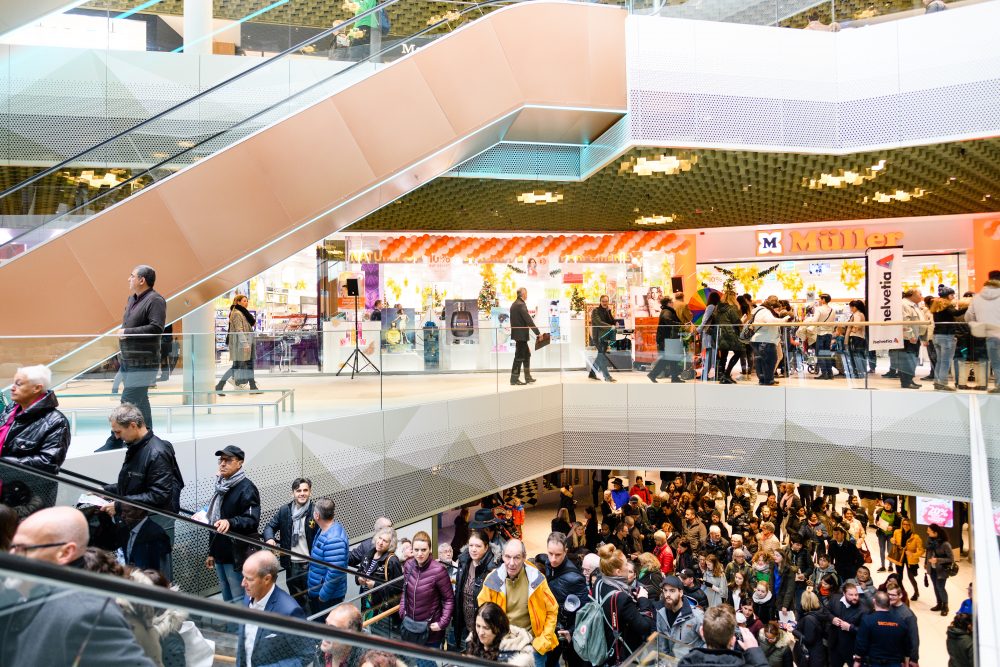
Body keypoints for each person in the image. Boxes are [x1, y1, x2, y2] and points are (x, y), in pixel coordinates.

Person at [3, 507, 155, 666]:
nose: (12, 556)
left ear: (65, 553)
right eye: (12, 547)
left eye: (22, 548)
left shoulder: (86, 613)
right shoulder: (21, 600)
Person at [101, 403, 184, 577]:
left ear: (132, 425)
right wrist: (106, 491)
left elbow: (159, 495)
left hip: (153, 525)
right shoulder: (138, 448)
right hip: (140, 522)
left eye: (118, 432)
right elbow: (137, 483)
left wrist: (118, 505)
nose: (116, 437)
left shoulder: (156, 452)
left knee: (154, 578)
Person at [0, 365, 70, 515]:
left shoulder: (56, 421)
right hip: (4, 492)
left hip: (26, 499)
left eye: (19, 384)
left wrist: (3, 463)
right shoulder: (10, 410)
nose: (12, 388)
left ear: (37, 388)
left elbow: (48, 462)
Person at [478, 539, 559, 667]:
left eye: (517, 558)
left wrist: (542, 643)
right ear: (502, 556)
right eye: (508, 557)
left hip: (532, 648)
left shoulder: (537, 579)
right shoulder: (492, 580)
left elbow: (552, 610)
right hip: (503, 648)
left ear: (524, 558)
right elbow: (483, 614)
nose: (512, 563)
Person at [237, 550, 314, 667]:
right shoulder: (249, 594)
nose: (243, 583)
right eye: (244, 577)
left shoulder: (289, 611)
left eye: (249, 579)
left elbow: (306, 654)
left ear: (267, 579)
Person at [205, 445, 261, 605]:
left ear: (240, 463)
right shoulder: (221, 487)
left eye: (228, 460)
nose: (222, 464)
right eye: (221, 460)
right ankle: (232, 629)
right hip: (220, 553)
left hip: (236, 555)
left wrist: (230, 522)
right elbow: (214, 521)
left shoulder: (247, 488)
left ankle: (241, 629)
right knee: (227, 597)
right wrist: (211, 552)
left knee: (239, 599)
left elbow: (252, 520)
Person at [117, 264, 166, 431]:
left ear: (141, 280)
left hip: (144, 362)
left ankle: (116, 437)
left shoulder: (155, 300)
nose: (128, 279)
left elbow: (156, 328)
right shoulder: (132, 299)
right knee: (141, 400)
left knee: (128, 399)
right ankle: (148, 434)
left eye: (132, 276)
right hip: (128, 359)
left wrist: (127, 332)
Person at [591, 544, 655, 665]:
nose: (629, 566)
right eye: (626, 564)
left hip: (602, 644)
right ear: (618, 571)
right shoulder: (621, 598)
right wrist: (643, 599)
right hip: (621, 652)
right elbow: (644, 627)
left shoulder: (599, 582)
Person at [534, 532, 589, 667]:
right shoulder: (547, 563)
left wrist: (571, 631)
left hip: (562, 634)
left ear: (566, 551)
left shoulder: (575, 578)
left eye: (558, 555)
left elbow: (585, 612)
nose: (553, 559)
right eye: (550, 553)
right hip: (545, 628)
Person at [263, 477, 318, 606]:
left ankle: (310, 625)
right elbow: (269, 527)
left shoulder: (316, 511)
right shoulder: (285, 510)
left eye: (305, 490)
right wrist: (270, 539)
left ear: (310, 492)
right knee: (296, 599)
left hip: (311, 564)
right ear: (292, 493)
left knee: (311, 600)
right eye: (298, 490)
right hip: (291, 564)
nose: (302, 493)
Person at [399, 530, 454, 649]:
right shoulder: (408, 565)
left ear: (430, 550)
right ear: (412, 550)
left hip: (431, 629)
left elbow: (449, 599)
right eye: (416, 550)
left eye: (423, 550)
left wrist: (442, 623)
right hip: (411, 625)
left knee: (426, 661)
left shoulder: (439, 570)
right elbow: (405, 589)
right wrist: (402, 610)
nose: (420, 554)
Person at [677, 604, 768, 667]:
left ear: (702, 632)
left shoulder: (686, 662)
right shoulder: (743, 663)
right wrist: (754, 652)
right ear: (732, 640)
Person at [454, 529, 499, 651]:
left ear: (486, 547)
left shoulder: (493, 569)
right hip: (465, 625)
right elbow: (458, 592)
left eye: (478, 546)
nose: (473, 549)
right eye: (471, 545)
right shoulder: (463, 562)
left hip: (483, 629)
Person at [355, 526, 402, 636]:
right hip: (366, 605)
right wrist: (359, 578)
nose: (380, 542)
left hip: (382, 611)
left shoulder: (392, 561)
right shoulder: (369, 554)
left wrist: (376, 585)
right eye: (379, 538)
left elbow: (398, 589)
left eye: (385, 541)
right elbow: (359, 571)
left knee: (380, 640)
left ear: (390, 544)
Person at [307, 498, 349, 617]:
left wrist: (323, 596)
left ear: (317, 515)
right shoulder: (324, 530)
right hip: (319, 592)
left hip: (328, 598)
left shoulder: (334, 539)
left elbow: (335, 572)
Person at [853, 591, 914, 667]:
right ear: (889, 603)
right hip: (895, 663)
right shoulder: (900, 622)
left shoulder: (867, 620)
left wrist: (857, 661)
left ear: (874, 601)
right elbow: (907, 646)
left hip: (873, 663)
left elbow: (861, 644)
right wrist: (906, 662)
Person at [465, 601, 535, 666]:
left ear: (498, 627)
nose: (480, 633)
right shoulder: (473, 642)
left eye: (486, 628)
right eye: (478, 626)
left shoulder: (519, 658)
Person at [216, 294, 260, 393]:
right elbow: (239, 330)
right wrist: (245, 344)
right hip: (240, 344)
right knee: (236, 366)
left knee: (248, 365)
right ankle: (220, 385)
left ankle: (253, 387)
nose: (246, 302)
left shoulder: (243, 313)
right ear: (238, 302)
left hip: (247, 342)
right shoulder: (236, 313)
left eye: (247, 301)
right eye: (244, 301)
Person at [965, 269, 1000, 394]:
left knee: (996, 363)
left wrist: (977, 324)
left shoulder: (977, 297)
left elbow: (968, 316)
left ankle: (999, 384)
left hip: (990, 335)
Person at [657, 574, 705, 660]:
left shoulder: (696, 616)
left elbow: (708, 643)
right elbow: (662, 647)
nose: (667, 594)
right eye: (665, 590)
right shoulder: (661, 614)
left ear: (681, 592)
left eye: (672, 591)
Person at [930, 291, 969, 391]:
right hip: (946, 336)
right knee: (946, 361)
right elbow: (956, 313)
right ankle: (943, 383)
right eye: (952, 295)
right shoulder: (946, 306)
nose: (953, 297)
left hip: (936, 336)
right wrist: (968, 306)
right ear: (947, 296)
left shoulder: (936, 306)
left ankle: (937, 382)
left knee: (939, 361)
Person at [749, 296, 789, 386]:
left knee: (761, 361)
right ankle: (768, 380)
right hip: (765, 339)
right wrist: (784, 319)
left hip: (759, 339)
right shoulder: (765, 311)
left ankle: (763, 380)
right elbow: (770, 321)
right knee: (770, 360)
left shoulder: (759, 310)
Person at [117, 505, 171, 572]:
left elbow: (162, 569)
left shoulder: (156, 534)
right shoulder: (125, 530)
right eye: (122, 511)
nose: (122, 515)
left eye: (127, 512)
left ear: (140, 510)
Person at [891, 289, 927, 389]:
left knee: (912, 360)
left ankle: (909, 379)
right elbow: (905, 321)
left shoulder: (914, 305)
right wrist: (910, 335)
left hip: (916, 336)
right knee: (908, 360)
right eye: (920, 294)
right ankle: (906, 382)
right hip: (908, 338)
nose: (921, 296)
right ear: (912, 295)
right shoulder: (904, 305)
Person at [648, 295, 684, 383]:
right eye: (671, 302)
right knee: (668, 358)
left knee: (671, 358)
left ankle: (674, 377)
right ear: (668, 303)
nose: (673, 304)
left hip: (668, 338)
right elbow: (667, 319)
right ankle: (653, 374)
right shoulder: (667, 311)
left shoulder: (667, 310)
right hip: (668, 338)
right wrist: (678, 324)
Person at [828, 582, 865, 667]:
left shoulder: (864, 609)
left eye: (856, 595)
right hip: (835, 646)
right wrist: (832, 618)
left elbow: (866, 632)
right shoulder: (835, 599)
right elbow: (825, 612)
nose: (854, 597)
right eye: (851, 595)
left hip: (852, 649)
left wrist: (850, 628)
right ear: (844, 594)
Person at [510, 288, 541, 386]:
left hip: (518, 335)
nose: (527, 295)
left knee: (526, 355)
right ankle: (514, 379)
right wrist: (537, 333)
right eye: (526, 293)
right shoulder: (521, 305)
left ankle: (527, 377)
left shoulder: (514, 304)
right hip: (521, 336)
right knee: (519, 357)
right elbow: (528, 320)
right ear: (523, 294)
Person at [887, 517, 923, 600]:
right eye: (904, 524)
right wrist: (892, 540)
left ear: (911, 525)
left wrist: (913, 554)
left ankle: (916, 592)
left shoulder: (916, 537)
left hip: (910, 559)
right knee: (899, 577)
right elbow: (894, 540)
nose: (905, 526)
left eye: (907, 524)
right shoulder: (897, 532)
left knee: (911, 577)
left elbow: (921, 550)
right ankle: (903, 593)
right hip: (899, 557)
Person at [792, 590, 829, 667]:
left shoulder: (809, 619)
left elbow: (808, 640)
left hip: (813, 656)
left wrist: (793, 631)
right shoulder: (820, 612)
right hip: (820, 651)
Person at [925, 522, 954, 615]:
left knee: (940, 587)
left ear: (935, 532)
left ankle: (945, 606)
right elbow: (928, 553)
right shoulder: (930, 541)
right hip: (932, 569)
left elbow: (951, 559)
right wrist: (926, 563)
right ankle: (939, 604)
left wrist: (937, 560)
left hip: (941, 570)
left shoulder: (945, 544)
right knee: (935, 587)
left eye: (929, 531)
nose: (927, 532)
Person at [589, 294, 617, 382]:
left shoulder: (607, 311)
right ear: (600, 302)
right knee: (602, 357)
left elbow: (612, 321)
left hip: (605, 336)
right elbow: (598, 322)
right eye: (603, 301)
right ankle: (607, 376)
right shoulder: (595, 311)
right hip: (598, 338)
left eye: (606, 301)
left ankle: (592, 374)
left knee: (600, 356)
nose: (605, 303)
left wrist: (609, 313)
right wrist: (610, 327)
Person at [697, 291, 721, 382]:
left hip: (708, 333)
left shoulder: (710, 307)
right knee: (713, 353)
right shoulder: (718, 307)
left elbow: (705, 320)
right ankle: (713, 373)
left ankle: (705, 374)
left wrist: (698, 330)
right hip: (715, 332)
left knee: (708, 353)